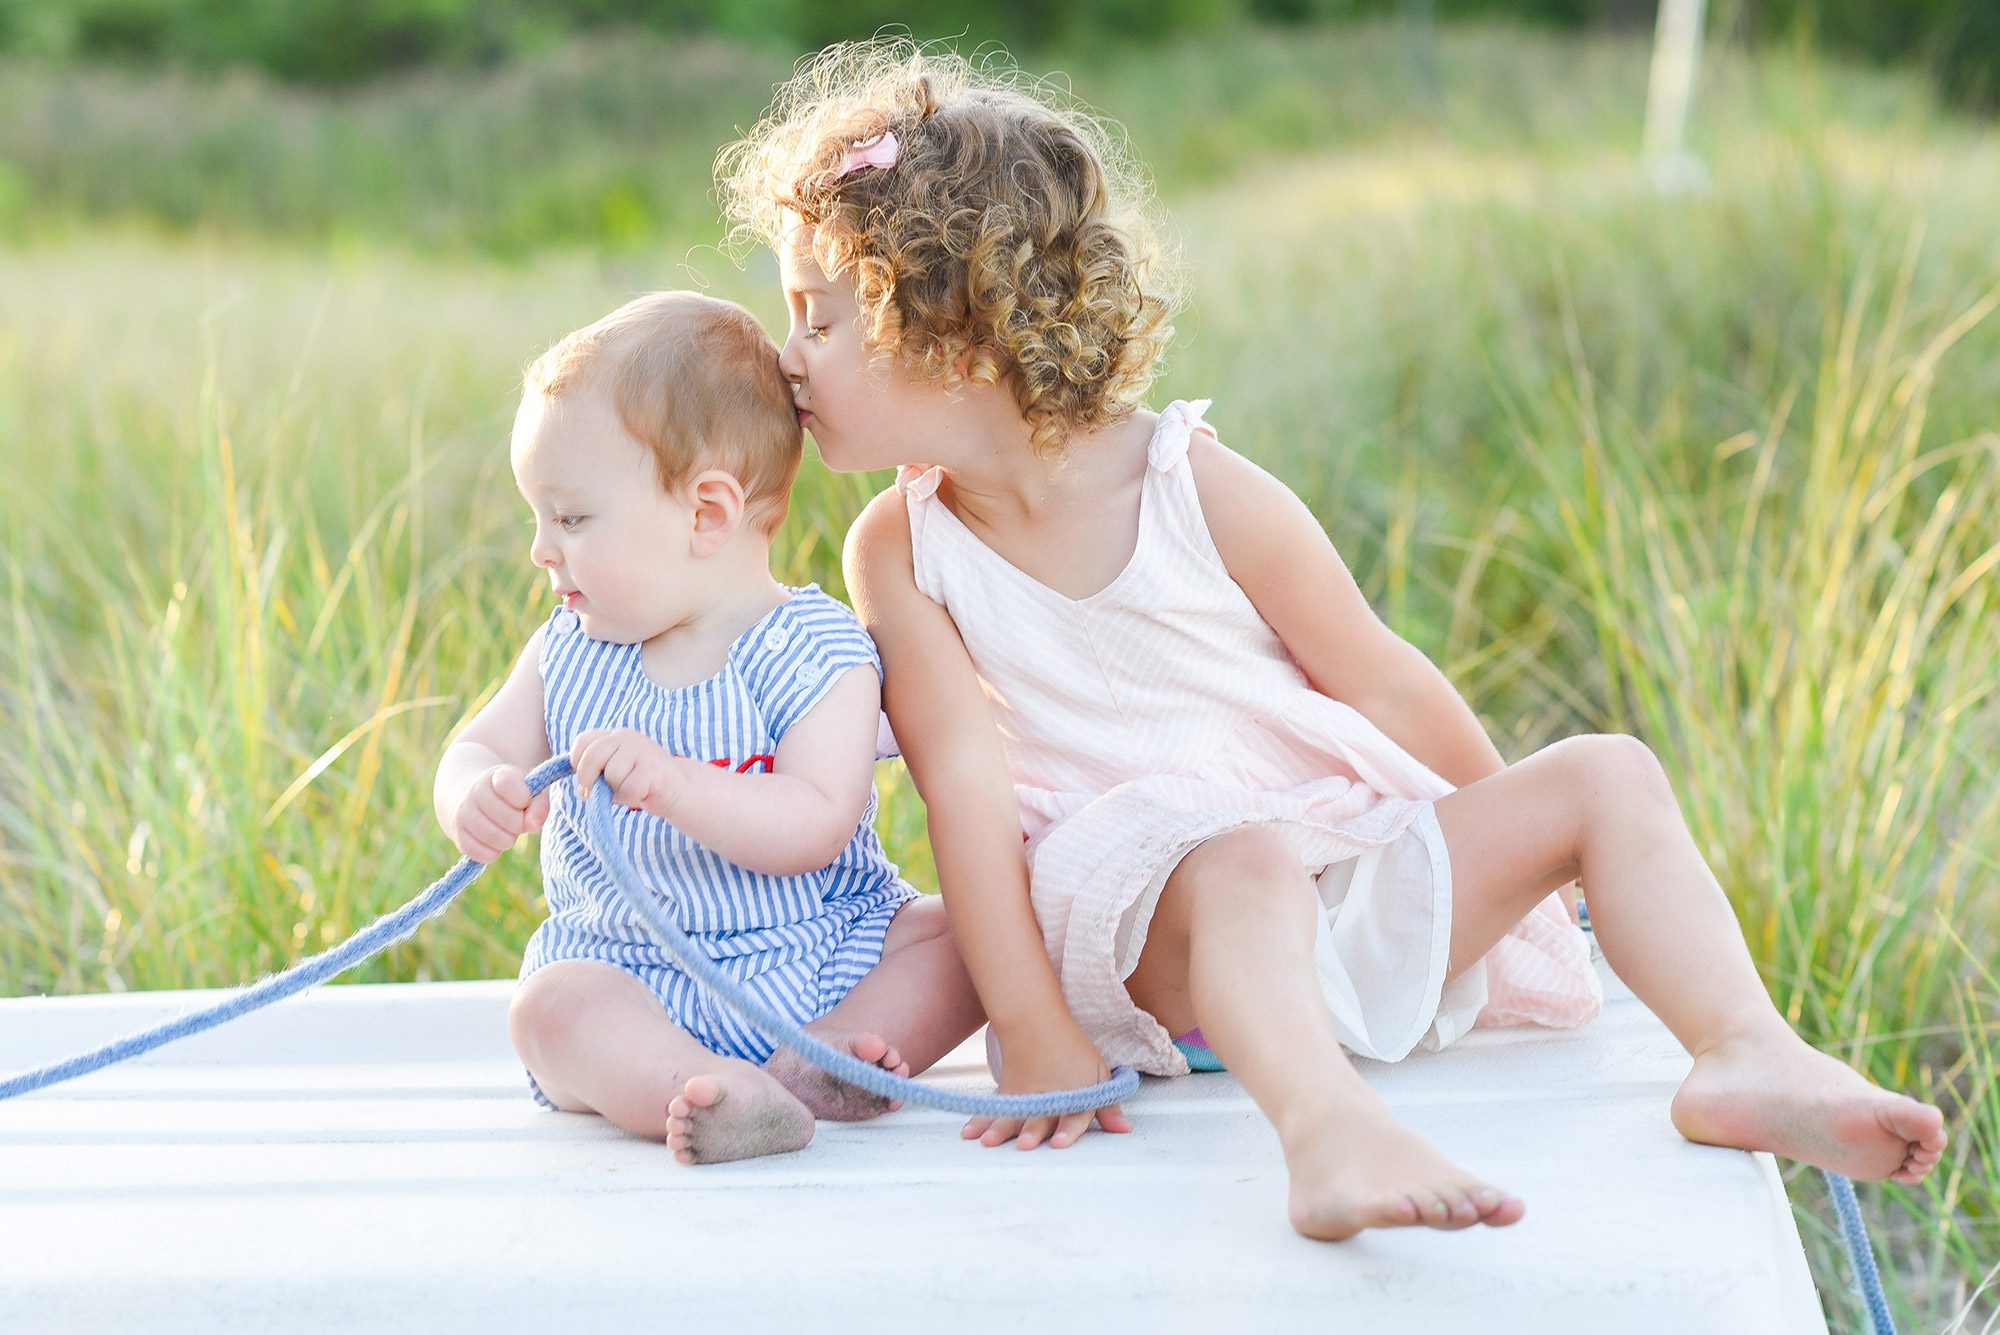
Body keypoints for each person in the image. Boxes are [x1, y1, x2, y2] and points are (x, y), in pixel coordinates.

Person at [714, 40, 1949, 1239]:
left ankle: (1743, 1052)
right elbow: (965, 800)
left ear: (950, 332)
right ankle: (1325, 1132)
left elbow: (1383, 683)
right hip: (1155, 942)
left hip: (1338, 876)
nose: (787, 357)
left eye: (816, 317)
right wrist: (1030, 1022)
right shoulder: (902, 548)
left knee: (1605, 773)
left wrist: (1513, 868)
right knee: (1238, 860)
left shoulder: (1196, 484)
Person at [433, 290, 984, 1164]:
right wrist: (472, 791)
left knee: (965, 929)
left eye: (571, 519)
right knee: (548, 1008)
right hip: (632, 978)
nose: (542, 548)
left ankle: (832, 1052)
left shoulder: (816, 648)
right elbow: (481, 744)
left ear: (708, 514)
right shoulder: (568, 650)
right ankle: (710, 1089)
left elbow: (817, 818)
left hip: (820, 961)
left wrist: (677, 784)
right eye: (539, 518)